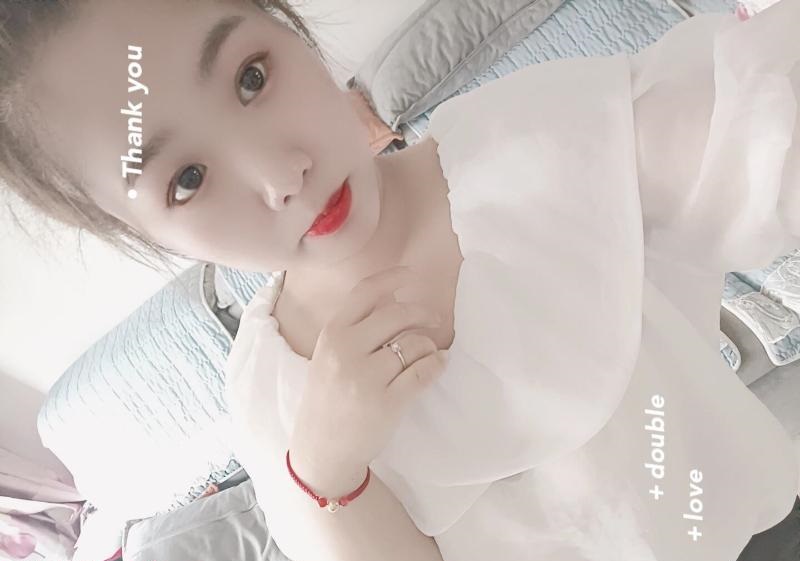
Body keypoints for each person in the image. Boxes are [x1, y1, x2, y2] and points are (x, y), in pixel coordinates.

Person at [0, 0, 799, 560]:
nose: (282, 175)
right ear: (146, 235)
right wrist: (329, 471)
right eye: (187, 179)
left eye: (251, 77)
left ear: (291, 31)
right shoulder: (272, 396)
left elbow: (759, 122)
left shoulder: (535, 140)